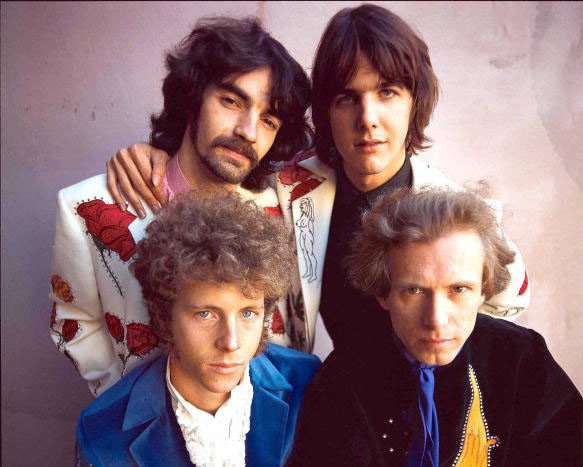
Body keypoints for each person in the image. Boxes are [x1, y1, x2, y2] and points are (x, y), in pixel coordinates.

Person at [105, 4, 530, 353]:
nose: (368, 119)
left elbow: (511, 303)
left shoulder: (458, 214)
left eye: (387, 92)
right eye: (347, 98)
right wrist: (154, 153)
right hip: (326, 397)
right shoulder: (285, 187)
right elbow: (213, 171)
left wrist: (448, 367)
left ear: (414, 102)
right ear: (326, 110)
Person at [288, 186, 583, 467]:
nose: (436, 319)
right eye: (414, 290)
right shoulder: (342, 382)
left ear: (484, 288)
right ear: (383, 293)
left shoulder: (522, 360)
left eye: (458, 290)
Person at [49, 17, 312, 395]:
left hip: (267, 421)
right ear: (192, 98)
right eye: (231, 101)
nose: (248, 131)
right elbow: (73, 323)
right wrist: (123, 401)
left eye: (268, 120)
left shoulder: (287, 206)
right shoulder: (84, 209)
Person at [74, 191, 320, 467]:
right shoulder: (105, 433)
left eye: (247, 313)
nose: (231, 342)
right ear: (165, 316)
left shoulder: (306, 383)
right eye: (206, 314)